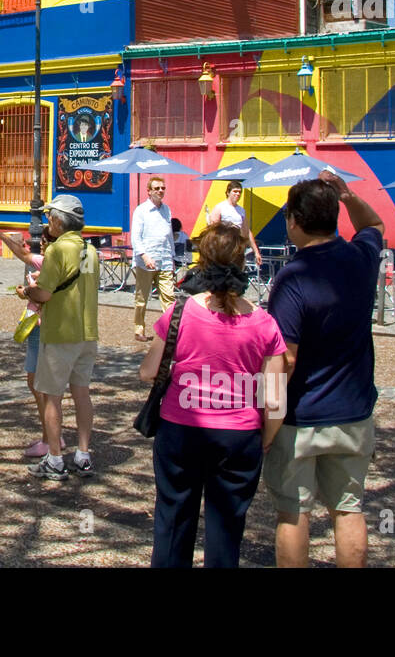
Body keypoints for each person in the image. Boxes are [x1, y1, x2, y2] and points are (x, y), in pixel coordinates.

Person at [139, 223, 287, 568]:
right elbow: (276, 399)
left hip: (181, 428)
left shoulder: (180, 312)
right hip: (238, 435)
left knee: (173, 520)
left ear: (202, 262)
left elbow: (148, 371)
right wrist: (265, 437)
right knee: (226, 528)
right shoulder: (265, 323)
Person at [264, 172, 383, 568]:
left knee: (294, 511)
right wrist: (348, 195)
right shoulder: (362, 257)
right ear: (334, 216)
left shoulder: (292, 278)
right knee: (348, 508)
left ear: (294, 221)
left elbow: (287, 358)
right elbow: (374, 225)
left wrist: (269, 418)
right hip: (353, 408)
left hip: (302, 416)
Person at [22, 194, 99, 480]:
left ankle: (54, 458)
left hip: (60, 332)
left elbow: (44, 293)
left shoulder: (56, 251)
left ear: (57, 220)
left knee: (51, 396)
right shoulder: (90, 251)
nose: (47, 222)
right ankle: (83, 454)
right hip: (87, 331)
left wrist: (27, 291)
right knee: (82, 393)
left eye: (49, 217)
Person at [0, 223, 65, 459]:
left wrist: (27, 291)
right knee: (39, 384)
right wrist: (0, 235)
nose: (39, 242)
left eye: (44, 240)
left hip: (42, 325)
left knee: (40, 385)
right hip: (44, 325)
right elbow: (24, 255)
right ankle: (51, 434)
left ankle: (50, 439)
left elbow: (44, 292)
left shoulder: (52, 262)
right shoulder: (58, 262)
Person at [131, 175, 176, 342]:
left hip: (164, 258)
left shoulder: (167, 210)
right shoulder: (141, 210)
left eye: (162, 188)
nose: (160, 191)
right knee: (142, 298)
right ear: (149, 191)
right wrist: (144, 255)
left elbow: (169, 235)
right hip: (146, 260)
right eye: (157, 188)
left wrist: (171, 257)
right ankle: (139, 329)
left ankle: (170, 330)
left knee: (169, 296)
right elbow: (136, 236)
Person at [206, 180, 262, 267]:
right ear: (228, 192)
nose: (237, 194)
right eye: (235, 191)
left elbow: (247, 232)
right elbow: (212, 230)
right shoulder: (220, 207)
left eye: (239, 192)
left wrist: (256, 252)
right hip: (222, 248)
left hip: (237, 248)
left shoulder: (241, 211)